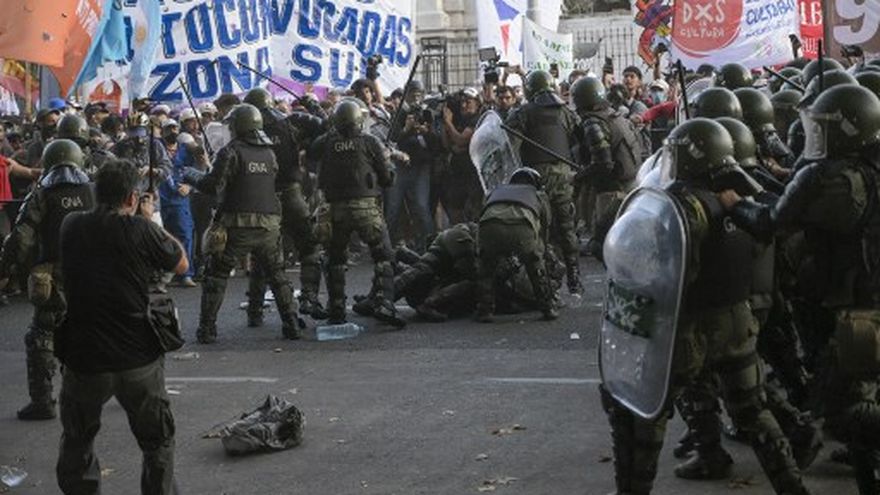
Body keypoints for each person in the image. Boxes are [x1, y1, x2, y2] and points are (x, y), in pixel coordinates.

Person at [601, 118, 811, 495]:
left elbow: (640, 259)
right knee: (753, 410)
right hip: (736, 320)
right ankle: (793, 487)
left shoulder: (683, 207)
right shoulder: (740, 200)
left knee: (644, 414)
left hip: (687, 327)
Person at [718, 84, 880, 494]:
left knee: (838, 409)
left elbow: (771, 222)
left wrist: (735, 202)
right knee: (859, 393)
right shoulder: (865, 168)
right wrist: (773, 179)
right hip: (866, 296)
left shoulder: (826, 176)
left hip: (852, 307)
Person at [54, 159, 186, 494]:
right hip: (137, 356)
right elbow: (181, 263)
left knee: (77, 440)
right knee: (157, 442)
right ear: (132, 198)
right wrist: (149, 218)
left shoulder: (71, 225)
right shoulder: (142, 229)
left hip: (84, 356)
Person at [189, 103, 302, 343]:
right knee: (277, 276)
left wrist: (192, 175)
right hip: (269, 225)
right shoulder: (269, 153)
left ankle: (207, 330)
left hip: (237, 225)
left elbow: (212, 186)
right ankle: (291, 323)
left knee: (216, 275)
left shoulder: (230, 152)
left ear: (239, 126)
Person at [0, 140, 95, 420]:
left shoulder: (42, 195)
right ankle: (87, 396)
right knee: (90, 332)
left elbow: (20, 239)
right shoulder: (93, 192)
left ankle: (42, 401)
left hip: (54, 275)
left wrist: (6, 270)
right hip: (92, 275)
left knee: (41, 336)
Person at [308, 100, 399, 325]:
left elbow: (311, 152)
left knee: (335, 259)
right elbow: (387, 179)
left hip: (334, 210)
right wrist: (388, 161)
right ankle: (385, 303)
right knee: (383, 256)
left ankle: (337, 308)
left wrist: (330, 130)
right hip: (366, 208)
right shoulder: (370, 141)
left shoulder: (326, 142)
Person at [242, 87, 327, 321]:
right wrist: (313, 106)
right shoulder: (291, 123)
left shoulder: (244, 132)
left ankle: (254, 310)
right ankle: (309, 297)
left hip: (261, 198)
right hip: (291, 194)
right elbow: (327, 126)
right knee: (309, 247)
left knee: (262, 253)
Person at [506, 70, 583, 295]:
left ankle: (545, 281)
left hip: (536, 177)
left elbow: (511, 147)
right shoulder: (566, 112)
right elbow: (581, 139)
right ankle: (574, 277)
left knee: (539, 230)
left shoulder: (523, 113)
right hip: (565, 174)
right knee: (567, 227)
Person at [570, 76, 641, 259]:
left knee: (604, 246)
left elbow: (603, 163)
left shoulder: (593, 122)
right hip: (631, 183)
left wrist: (578, 176)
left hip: (612, 190)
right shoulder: (613, 115)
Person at [474, 167, 556, 322]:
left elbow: (482, 213)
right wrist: (542, 250)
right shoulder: (538, 195)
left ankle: (485, 310)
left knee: (486, 268)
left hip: (489, 226)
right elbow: (545, 226)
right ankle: (547, 308)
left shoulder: (494, 191)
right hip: (522, 228)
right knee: (535, 265)